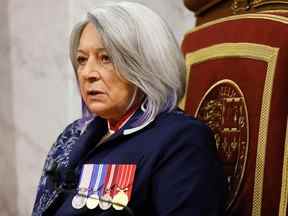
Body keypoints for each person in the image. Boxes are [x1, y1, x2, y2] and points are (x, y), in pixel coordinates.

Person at [32, 2, 226, 216]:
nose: (88, 73)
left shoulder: (181, 140)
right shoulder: (73, 136)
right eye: (81, 60)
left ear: (147, 65)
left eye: (106, 58)